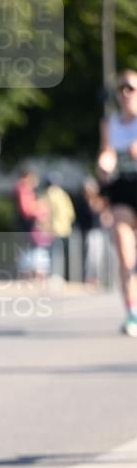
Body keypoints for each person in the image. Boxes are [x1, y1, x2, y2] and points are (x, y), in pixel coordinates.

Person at [97, 69, 137, 336]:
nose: (124, 93)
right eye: (121, 88)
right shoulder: (109, 123)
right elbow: (106, 152)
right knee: (124, 252)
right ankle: (132, 312)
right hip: (122, 189)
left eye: (130, 88)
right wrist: (104, 164)